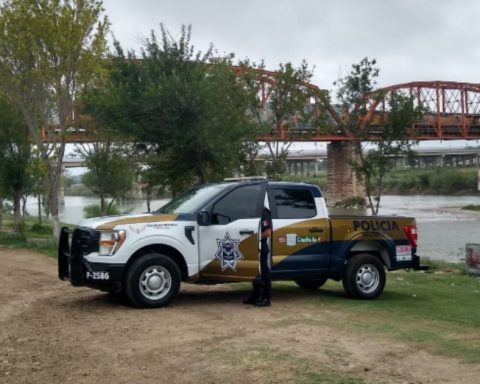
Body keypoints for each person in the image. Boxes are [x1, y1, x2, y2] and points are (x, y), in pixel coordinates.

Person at [243, 206, 272, 307]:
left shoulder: (263, 211)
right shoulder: (251, 209)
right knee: (255, 273)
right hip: (252, 246)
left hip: (261, 246)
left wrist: (252, 238)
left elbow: (267, 232)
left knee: (264, 271)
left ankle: (266, 298)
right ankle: (255, 297)